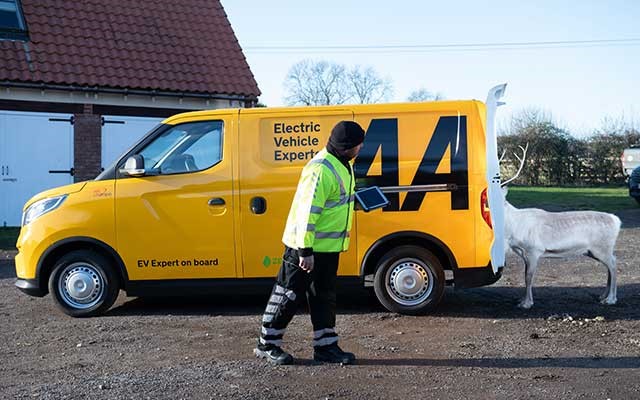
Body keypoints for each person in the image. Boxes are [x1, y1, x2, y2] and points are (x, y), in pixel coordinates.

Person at [253, 120, 365, 365]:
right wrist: (305, 250)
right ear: (348, 147)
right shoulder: (322, 169)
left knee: (324, 297)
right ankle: (266, 344)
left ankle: (326, 347)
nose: (361, 148)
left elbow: (334, 203)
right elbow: (307, 212)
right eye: (358, 144)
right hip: (305, 250)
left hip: (327, 249)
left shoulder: (343, 164)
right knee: (288, 295)